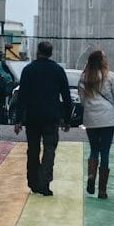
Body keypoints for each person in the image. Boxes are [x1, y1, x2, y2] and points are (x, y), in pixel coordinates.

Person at [13, 40, 72, 195]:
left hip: (32, 117)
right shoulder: (58, 70)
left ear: (37, 52)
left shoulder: (28, 70)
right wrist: (67, 119)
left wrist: (18, 119)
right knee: (49, 149)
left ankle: (33, 181)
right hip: (51, 117)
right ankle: (44, 182)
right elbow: (66, 96)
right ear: (51, 53)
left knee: (32, 149)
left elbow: (22, 96)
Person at [77, 49, 114, 198]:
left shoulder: (83, 77)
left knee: (94, 149)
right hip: (107, 119)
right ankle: (102, 191)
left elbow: (82, 101)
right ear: (101, 61)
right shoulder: (110, 76)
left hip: (91, 118)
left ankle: (91, 176)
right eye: (104, 57)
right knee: (105, 152)